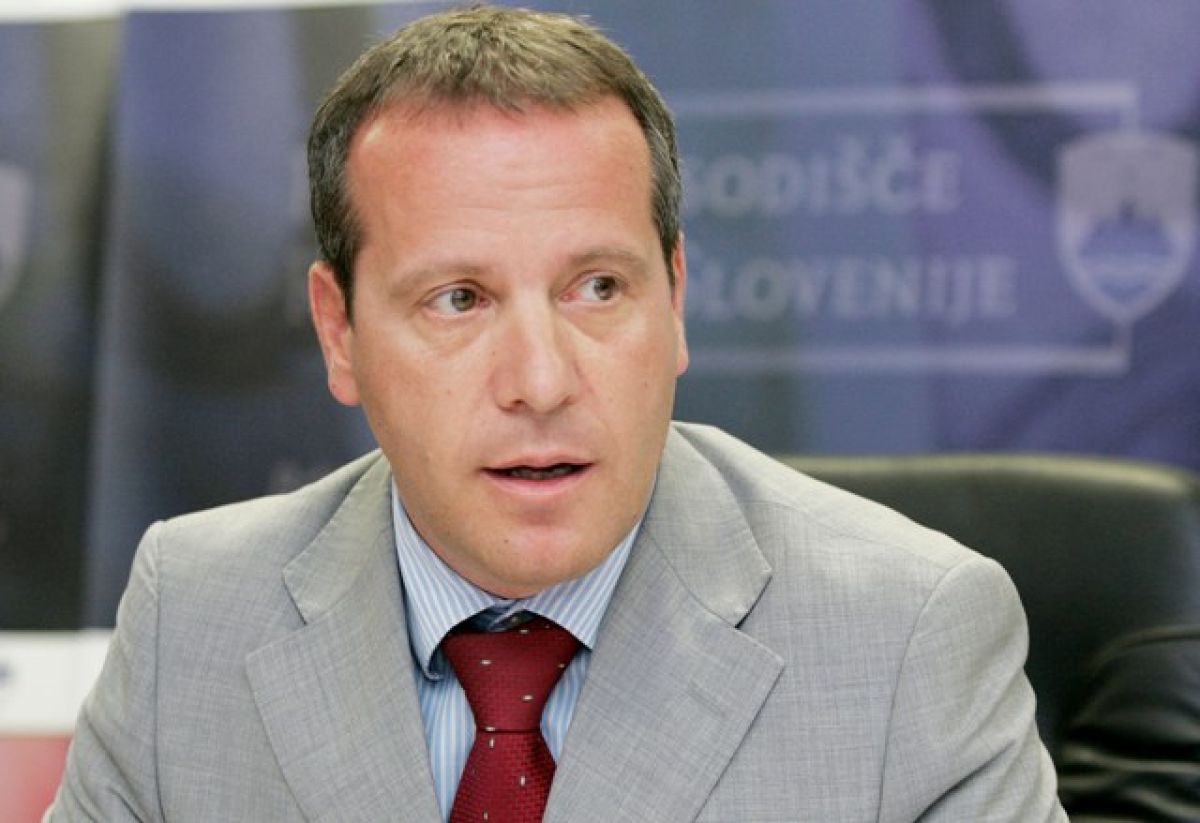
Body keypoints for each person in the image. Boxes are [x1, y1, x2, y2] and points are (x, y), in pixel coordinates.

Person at [47, 6, 1066, 821]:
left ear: (675, 300)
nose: (540, 381)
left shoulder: (908, 638)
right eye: (458, 299)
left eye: (598, 288)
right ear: (339, 332)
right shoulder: (193, 614)